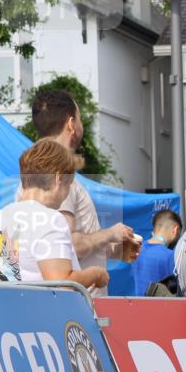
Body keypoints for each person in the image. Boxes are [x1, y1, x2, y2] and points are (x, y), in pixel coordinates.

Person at [27, 89, 138, 295]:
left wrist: (115, 249)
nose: (81, 125)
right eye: (79, 119)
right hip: (78, 311)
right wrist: (110, 234)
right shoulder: (57, 178)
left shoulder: (36, 175)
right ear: (71, 124)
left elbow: (56, 245)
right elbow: (66, 246)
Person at [0, 138, 108, 290]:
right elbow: (62, 285)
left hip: (3, 312)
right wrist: (95, 274)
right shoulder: (50, 219)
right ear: (58, 179)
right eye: (69, 184)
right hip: (47, 313)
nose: (67, 192)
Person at [133, 209, 182, 296]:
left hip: (138, 307)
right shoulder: (170, 256)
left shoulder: (136, 250)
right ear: (175, 230)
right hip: (162, 308)